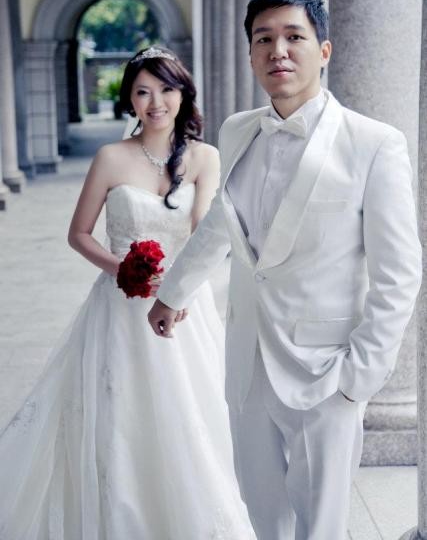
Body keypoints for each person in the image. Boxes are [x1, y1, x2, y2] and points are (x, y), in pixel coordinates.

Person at [149, 0, 423, 540]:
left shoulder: (375, 143)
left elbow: (399, 273)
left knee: (320, 526)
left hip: (326, 371)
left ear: (323, 50)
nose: (278, 50)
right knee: (263, 515)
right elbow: (222, 223)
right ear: (251, 53)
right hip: (247, 364)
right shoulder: (236, 130)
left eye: (294, 36)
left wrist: (359, 377)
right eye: (264, 38)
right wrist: (172, 292)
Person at [0, 46, 255, 540]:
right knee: (121, 418)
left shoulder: (204, 157)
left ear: (183, 93)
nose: (156, 102)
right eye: (143, 92)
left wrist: (178, 289)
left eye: (166, 89)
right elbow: (79, 234)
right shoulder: (110, 158)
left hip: (185, 306)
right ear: (130, 101)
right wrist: (122, 269)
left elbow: (204, 233)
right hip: (118, 307)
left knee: (189, 413)